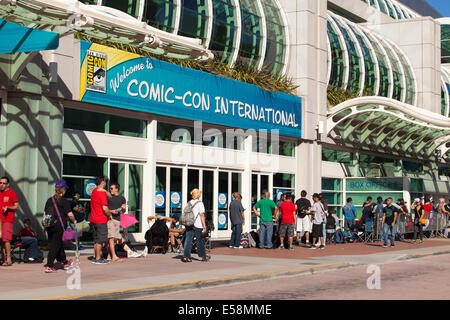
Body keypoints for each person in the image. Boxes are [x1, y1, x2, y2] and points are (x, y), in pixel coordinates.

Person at [43, 179, 76, 273]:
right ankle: (49, 265)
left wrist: (44, 227)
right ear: (63, 189)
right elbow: (69, 214)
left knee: (58, 244)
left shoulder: (49, 200)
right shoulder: (64, 201)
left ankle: (64, 262)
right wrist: (74, 221)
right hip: (59, 227)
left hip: (50, 226)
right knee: (55, 246)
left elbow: (45, 215)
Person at [182, 189, 211, 262]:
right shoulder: (200, 203)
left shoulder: (189, 202)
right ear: (198, 195)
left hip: (189, 223)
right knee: (199, 240)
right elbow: (201, 215)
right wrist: (204, 225)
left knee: (188, 239)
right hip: (197, 224)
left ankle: (186, 256)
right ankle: (203, 256)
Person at [90, 176, 112, 264]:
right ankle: (98, 258)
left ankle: (95, 256)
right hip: (100, 219)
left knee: (96, 240)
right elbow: (105, 208)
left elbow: (109, 196)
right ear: (103, 182)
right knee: (100, 240)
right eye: (105, 182)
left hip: (93, 219)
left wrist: (105, 191)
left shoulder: (94, 191)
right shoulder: (101, 194)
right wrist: (109, 214)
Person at [0, 176, 19, 266]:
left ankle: (8, 259)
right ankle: (3, 259)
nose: (2, 185)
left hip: (7, 219)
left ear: (8, 184)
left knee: (6, 239)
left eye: (4, 183)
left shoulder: (12, 193)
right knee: (1, 240)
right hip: (0, 220)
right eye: (0, 183)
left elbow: (16, 206)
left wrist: (8, 207)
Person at [107, 183, 126, 262]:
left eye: (112, 188)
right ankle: (114, 256)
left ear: (117, 189)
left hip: (117, 219)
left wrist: (123, 208)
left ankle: (109, 255)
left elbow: (124, 210)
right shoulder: (108, 198)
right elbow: (104, 209)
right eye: (110, 188)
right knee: (111, 238)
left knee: (114, 239)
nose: (110, 190)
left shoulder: (122, 198)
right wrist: (111, 211)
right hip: (110, 219)